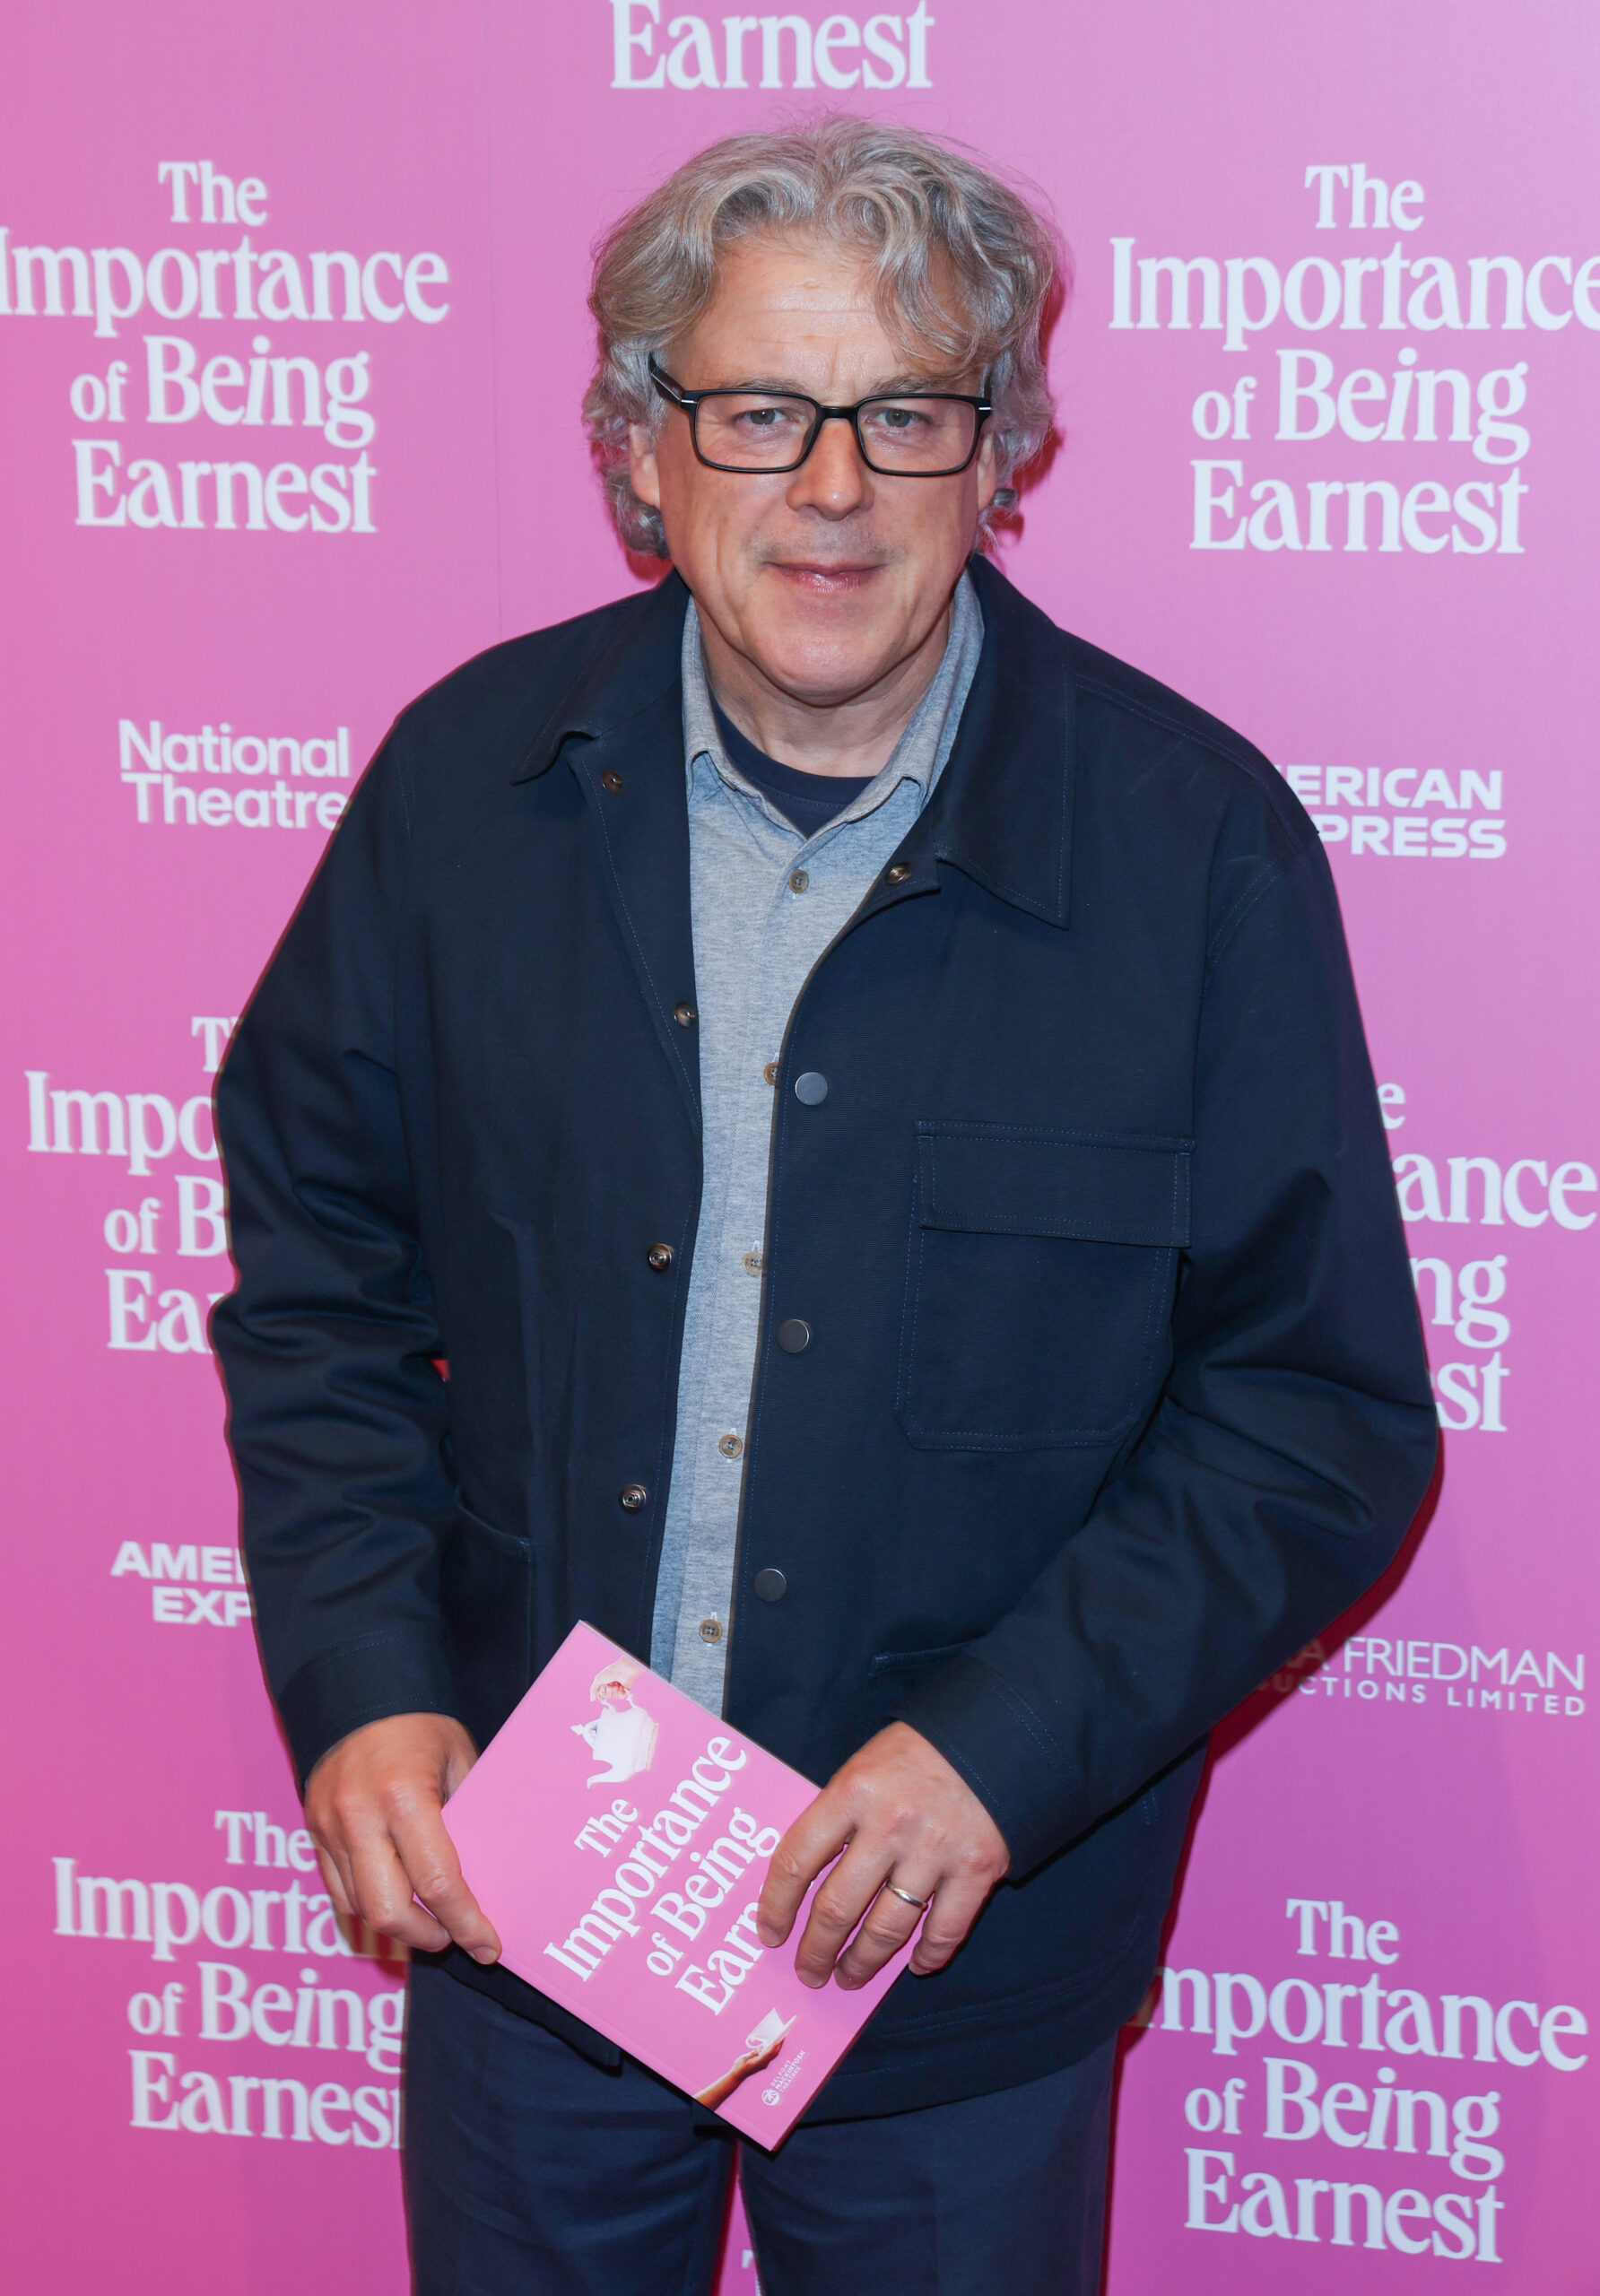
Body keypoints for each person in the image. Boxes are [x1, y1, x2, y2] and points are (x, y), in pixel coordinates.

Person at [213, 116, 1437, 2296]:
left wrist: (997, 1755)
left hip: (961, 1969)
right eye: (760, 412)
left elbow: (1312, 1414)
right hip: (527, 1913)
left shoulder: (1196, 852)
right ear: (638, 453)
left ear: (1001, 454)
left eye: (908, 413)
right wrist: (364, 1675)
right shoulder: (454, 796)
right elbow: (316, 1277)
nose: (836, 486)